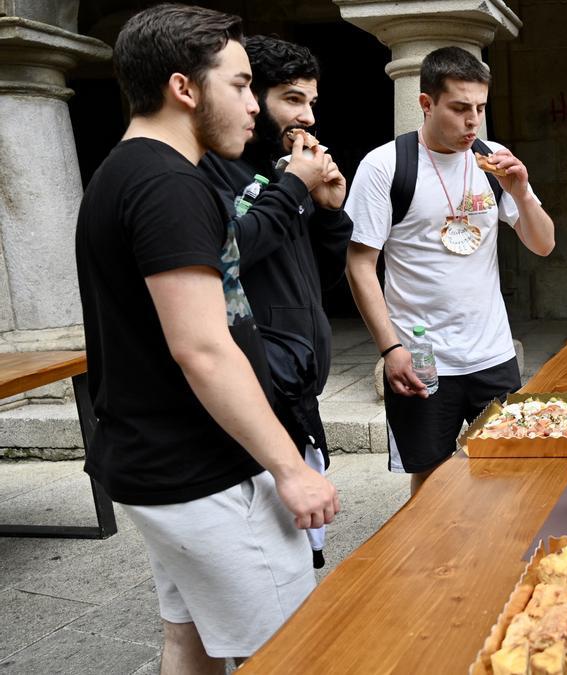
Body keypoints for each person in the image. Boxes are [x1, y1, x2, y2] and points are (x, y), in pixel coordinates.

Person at [75, 4, 339, 669]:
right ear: (183, 87)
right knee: (290, 651)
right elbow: (203, 345)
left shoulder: (125, 171)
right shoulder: (168, 185)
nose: (255, 106)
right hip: (206, 472)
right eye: (242, 84)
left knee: (187, 637)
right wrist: (290, 469)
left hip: (158, 464)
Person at [344, 47, 554, 498]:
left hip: (492, 353)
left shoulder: (493, 159)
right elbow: (360, 264)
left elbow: (543, 243)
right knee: (432, 483)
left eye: (480, 107)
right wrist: (390, 348)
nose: (472, 122)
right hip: (423, 360)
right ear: (426, 103)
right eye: (460, 108)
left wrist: (520, 191)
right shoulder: (385, 167)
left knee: (510, 475)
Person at [198, 35, 352, 569]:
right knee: (269, 574)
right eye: (291, 99)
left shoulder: (284, 166)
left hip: (295, 389)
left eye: (311, 101)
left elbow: (321, 280)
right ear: (251, 97)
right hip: (252, 391)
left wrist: (330, 211)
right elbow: (227, 254)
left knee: (297, 565)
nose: (307, 116)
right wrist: (290, 191)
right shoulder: (212, 169)